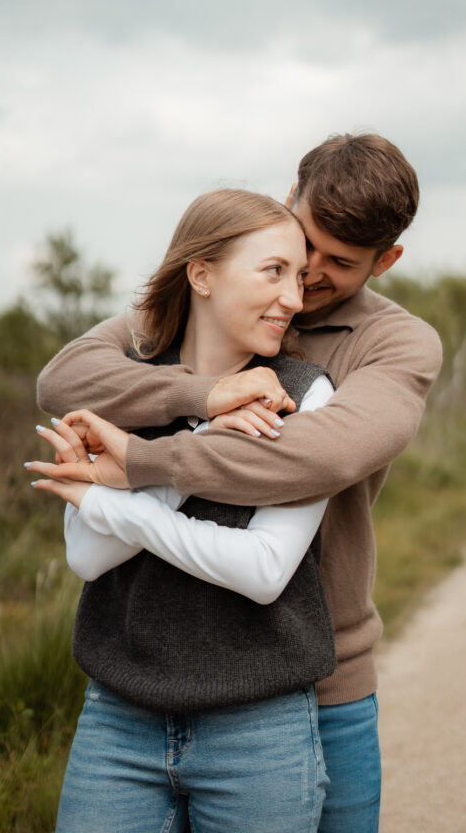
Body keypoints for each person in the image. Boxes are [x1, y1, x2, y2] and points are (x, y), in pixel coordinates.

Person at [37, 133, 443, 832]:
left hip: (323, 678)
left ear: (387, 261)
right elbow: (63, 378)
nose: (306, 278)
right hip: (145, 671)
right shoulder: (208, 304)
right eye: (301, 246)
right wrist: (204, 393)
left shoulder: (395, 345)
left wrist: (140, 463)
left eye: (337, 264)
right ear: (290, 200)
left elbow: (308, 459)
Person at [27, 188, 339, 833]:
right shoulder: (124, 386)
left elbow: (263, 570)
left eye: (299, 278)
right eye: (273, 272)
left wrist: (120, 487)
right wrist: (201, 440)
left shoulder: (304, 393)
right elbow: (87, 556)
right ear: (201, 274)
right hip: (118, 722)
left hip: (261, 729)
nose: (294, 299)